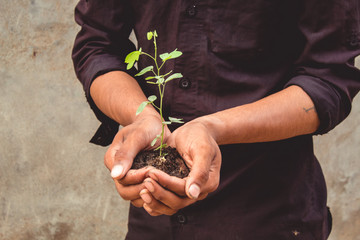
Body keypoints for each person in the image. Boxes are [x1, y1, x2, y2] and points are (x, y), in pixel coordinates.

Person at [72, 1, 360, 239]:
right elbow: (98, 44)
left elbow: (328, 78)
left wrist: (211, 128)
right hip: (153, 220)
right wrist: (143, 117)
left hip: (266, 212)